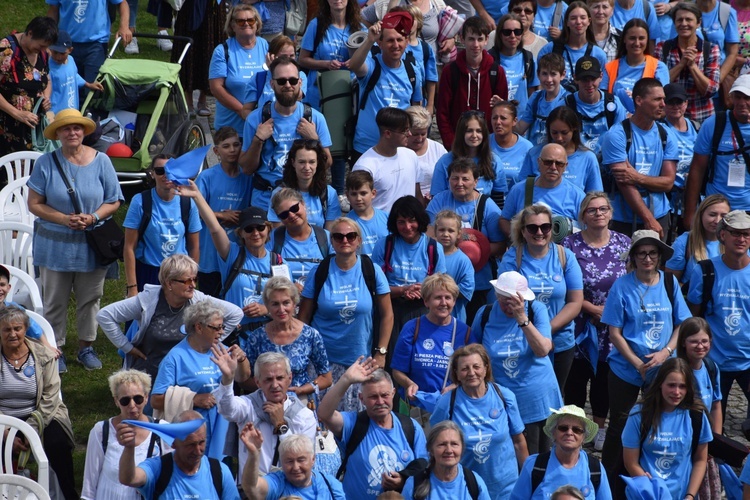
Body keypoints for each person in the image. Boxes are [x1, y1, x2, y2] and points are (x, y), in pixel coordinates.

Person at [27, 108, 123, 372]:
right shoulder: (45, 163)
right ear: (57, 134)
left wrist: (92, 217)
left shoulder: (102, 161)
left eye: (77, 128)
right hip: (54, 244)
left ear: (84, 132)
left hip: (92, 244)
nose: (72, 132)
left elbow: (114, 200)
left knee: (90, 298)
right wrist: (63, 219)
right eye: (66, 128)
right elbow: (34, 204)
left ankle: (85, 347)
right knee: (55, 299)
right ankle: (55, 350)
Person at [599, 230, 691, 496]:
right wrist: (637, 363)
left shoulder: (670, 283)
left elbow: (681, 324)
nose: (647, 258)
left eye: (652, 253)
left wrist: (666, 352)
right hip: (625, 368)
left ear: (660, 256)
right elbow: (614, 332)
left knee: (657, 423)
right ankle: (609, 484)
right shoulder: (622, 285)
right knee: (618, 425)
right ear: (633, 257)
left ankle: (650, 477)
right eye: (641, 253)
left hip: (663, 368)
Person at [97, 254, 243, 386]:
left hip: (186, 378)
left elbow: (235, 313)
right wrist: (127, 348)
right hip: (149, 378)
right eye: (186, 281)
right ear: (169, 283)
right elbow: (105, 315)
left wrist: (212, 341)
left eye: (194, 279)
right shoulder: (147, 300)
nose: (193, 285)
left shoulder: (199, 299)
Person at [298, 217, 393, 410]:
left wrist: (381, 353)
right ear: (331, 241)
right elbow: (304, 318)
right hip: (321, 364)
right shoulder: (320, 271)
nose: (345, 241)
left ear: (359, 240)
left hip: (359, 362)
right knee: (320, 420)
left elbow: (387, 315)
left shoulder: (371, 270)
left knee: (354, 422)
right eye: (338, 237)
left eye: (351, 236)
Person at [561, 192, 631, 452]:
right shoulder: (569, 245)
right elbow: (566, 286)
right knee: (576, 380)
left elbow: (631, 282)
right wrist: (591, 308)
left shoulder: (624, 243)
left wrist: (611, 312)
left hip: (612, 325)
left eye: (603, 209)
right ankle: (576, 428)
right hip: (579, 322)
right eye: (592, 210)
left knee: (604, 381)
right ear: (583, 216)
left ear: (611, 213)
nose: (598, 214)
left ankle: (599, 428)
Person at [470, 271, 559, 455]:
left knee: (537, 458)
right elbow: (473, 353)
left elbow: (543, 350)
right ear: (497, 296)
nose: (510, 307)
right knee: (506, 456)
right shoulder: (485, 314)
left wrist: (522, 319)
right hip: (501, 399)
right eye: (505, 302)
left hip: (535, 397)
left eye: (515, 301)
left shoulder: (536, 310)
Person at [499, 204, 584, 394]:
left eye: (545, 227)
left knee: (556, 395)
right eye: (532, 228)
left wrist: (545, 331)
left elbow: (575, 301)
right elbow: (506, 299)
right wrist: (535, 334)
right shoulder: (513, 257)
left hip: (560, 340)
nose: (539, 232)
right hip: (522, 340)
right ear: (523, 231)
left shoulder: (565, 256)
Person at [317, 358, 429, 499]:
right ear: (361, 398)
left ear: (393, 393)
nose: (380, 401)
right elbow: (324, 414)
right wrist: (346, 380)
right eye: (373, 397)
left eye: (384, 395)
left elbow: (424, 466)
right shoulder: (353, 424)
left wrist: (403, 479)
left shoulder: (411, 427)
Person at [429, 344, 528, 499]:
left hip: (506, 487)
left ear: (486, 368)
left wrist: (527, 478)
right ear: (456, 373)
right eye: (465, 369)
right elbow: (434, 445)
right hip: (468, 487)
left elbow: (518, 441)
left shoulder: (505, 396)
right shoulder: (447, 402)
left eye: (476, 367)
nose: (471, 373)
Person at [0, 307, 77, 499]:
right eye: (6, 329)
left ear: (25, 329)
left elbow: (51, 396)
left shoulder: (44, 355)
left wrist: (30, 429)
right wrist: (5, 432)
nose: (12, 334)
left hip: (41, 414)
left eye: (17, 328)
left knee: (58, 443)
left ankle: (69, 495)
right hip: (3, 419)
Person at [240, 56, 333, 211]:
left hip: (304, 200)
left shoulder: (315, 118)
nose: (288, 85)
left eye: (293, 81)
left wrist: (315, 140)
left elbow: (327, 163)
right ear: (272, 84)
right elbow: (247, 169)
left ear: (300, 83)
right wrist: (258, 140)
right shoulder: (255, 119)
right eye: (282, 81)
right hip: (266, 199)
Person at [686, 210, 750, 419]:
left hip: (748, 361)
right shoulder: (705, 270)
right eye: (735, 233)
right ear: (723, 235)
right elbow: (694, 318)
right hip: (713, 361)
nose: (741, 239)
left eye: (747, 234)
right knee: (710, 425)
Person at [212, 349, 317, 475]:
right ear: (258, 382)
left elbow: (303, 457)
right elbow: (227, 409)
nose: (275, 385)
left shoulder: (304, 415)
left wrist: (281, 425)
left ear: (289, 378)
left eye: (280, 378)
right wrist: (228, 380)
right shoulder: (249, 405)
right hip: (251, 489)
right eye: (268, 379)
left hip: (289, 489)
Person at [150, 302, 233, 459]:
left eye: (222, 327)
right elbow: (155, 400)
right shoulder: (175, 357)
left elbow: (241, 379)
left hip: (221, 429)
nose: (221, 332)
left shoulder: (221, 350)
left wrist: (241, 363)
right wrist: (194, 399)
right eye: (216, 328)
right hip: (192, 435)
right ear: (199, 327)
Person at [621, 358, 712, 500]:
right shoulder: (639, 414)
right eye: (671, 385)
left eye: (682, 386)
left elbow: (700, 459)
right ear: (660, 384)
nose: (676, 392)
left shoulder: (696, 416)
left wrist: (690, 495)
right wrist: (654, 492)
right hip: (648, 495)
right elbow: (630, 462)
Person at [598, 78, 678, 239]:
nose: (663, 104)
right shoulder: (617, 135)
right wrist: (648, 218)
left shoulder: (666, 135)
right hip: (622, 220)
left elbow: (668, 182)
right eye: (657, 99)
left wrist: (636, 177)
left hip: (660, 214)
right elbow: (624, 183)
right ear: (639, 100)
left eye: (664, 99)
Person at [372, 196, 447, 367]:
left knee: (420, 360)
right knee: (392, 360)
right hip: (391, 309)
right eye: (401, 222)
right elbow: (375, 287)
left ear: (420, 220)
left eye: (412, 221)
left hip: (423, 310)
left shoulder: (434, 248)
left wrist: (423, 290)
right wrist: (403, 290)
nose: (407, 227)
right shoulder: (384, 245)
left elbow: (441, 286)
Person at [426, 158, 502, 321]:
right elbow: (428, 235)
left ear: (475, 181)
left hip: (479, 283)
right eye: (454, 178)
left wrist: (476, 253)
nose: (459, 183)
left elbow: (500, 245)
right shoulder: (440, 200)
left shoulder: (487, 206)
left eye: (465, 178)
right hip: (441, 284)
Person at [82, 369, 168, 500]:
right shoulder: (101, 431)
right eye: (125, 400)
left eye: (138, 399)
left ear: (146, 398)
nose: (132, 405)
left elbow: (172, 479)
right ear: (116, 401)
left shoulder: (162, 430)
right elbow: (89, 484)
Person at [348, 11, 423, 160]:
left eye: (399, 40)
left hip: (399, 150)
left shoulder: (412, 71)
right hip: (366, 148)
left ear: (406, 42)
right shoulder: (372, 65)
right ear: (380, 43)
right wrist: (369, 40)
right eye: (390, 41)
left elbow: (416, 109)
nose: (395, 45)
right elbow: (354, 66)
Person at [118, 409, 240, 499]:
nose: (198, 451)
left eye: (202, 442)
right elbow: (128, 478)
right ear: (173, 443)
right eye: (190, 445)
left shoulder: (219, 472)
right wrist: (129, 448)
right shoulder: (158, 469)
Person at [391, 274, 474, 407]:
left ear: (454, 301)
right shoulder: (412, 328)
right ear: (426, 302)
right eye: (437, 298)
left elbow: (475, 372)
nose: (443, 303)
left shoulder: (465, 332)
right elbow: (397, 371)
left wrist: (456, 386)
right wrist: (409, 384)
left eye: (448, 298)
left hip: (452, 405)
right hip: (415, 407)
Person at [123, 155, 201, 294]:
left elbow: (194, 246)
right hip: (149, 271)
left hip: (180, 274)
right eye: (160, 171)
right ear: (152, 174)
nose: (166, 175)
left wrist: (191, 279)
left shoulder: (188, 203)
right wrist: (132, 287)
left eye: (171, 170)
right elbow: (129, 247)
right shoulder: (140, 201)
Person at [244, 277, 332, 398]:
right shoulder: (256, 338)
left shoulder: (310, 335)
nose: (281, 309)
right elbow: (244, 380)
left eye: (286, 303)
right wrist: (272, 389)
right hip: (266, 401)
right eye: (275, 304)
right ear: (267, 307)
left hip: (301, 401)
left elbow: (326, 378)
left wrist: (302, 390)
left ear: (294, 303)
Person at [194, 126, 254, 297]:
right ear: (216, 150)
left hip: (238, 253)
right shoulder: (207, 177)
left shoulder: (248, 176)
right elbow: (194, 211)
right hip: (210, 256)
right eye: (226, 146)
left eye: (236, 145)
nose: (232, 150)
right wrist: (221, 215)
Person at [683, 74, 750, 223]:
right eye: (738, 97)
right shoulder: (713, 123)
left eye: (747, 98)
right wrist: (690, 213)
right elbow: (697, 169)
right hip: (717, 209)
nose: (742, 103)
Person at [436, 16, 508, 148]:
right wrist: (452, 145)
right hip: (458, 144)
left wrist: (493, 144)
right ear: (462, 39)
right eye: (471, 39)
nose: (475, 45)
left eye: (480, 39)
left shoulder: (497, 71)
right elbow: (442, 113)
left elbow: (503, 113)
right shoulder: (450, 72)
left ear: (487, 40)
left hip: (488, 145)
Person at [510, 405, 612, 499]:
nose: (569, 433)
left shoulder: (595, 469)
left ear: (584, 437)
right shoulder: (534, 465)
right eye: (563, 428)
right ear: (553, 432)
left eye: (577, 430)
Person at [676, 317, 723, 499]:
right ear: (683, 343)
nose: (700, 346)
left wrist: (715, 441)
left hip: (704, 440)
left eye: (704, 341)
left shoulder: (711, 368)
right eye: (694, 341)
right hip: (682, 439)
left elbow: (716, 405)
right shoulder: (676, 370)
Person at [654, 2, 721, 123]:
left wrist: (692, 66)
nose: (684, 24)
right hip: (669, 118)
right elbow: (658, 87)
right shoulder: (663, 48)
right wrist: (681, 65)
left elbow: (711, 90)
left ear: (698, 23)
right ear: (674, 23)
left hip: (702, 117)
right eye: (680, 20)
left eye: (688, 19)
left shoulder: (710, 50)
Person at [209, 5, 269, 139]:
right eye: (240, 21)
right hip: (232, 128)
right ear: (232, 25)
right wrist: (242, 111)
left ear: (257, 23)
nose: (246, 23)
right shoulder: (222, 50)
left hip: (262, 126)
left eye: (250, 20)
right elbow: (216, 88)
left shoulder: (267, 46)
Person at [500, 144, 586, 237]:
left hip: (563, 249)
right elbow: (504, 220)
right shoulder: (519, 189)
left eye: (559, 164)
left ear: (565, 166)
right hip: (527, 248)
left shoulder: (577, 195)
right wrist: (519, 238)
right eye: (548, 162)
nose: (553, 167)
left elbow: (588, 227)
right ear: (539, 162)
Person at [0, 16, 55, 158]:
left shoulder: (42, 53)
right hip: (7, 125)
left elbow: (47, 79)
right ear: (30, 33)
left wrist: (46, 96)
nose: (44, 49)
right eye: (41, 45)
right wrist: (17, 113)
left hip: (33, 128)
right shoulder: (7, 50)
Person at [429, 111, 508, 206]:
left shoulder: (493, 161)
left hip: (483, 217)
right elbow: (436, 199)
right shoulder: (445, 162)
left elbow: (498, 199)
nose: (474, 135)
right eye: (469, 131)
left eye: (479, 131)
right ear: (461, 133)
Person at [241, 428, 346, 499]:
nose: (296, 467)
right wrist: (254, 454)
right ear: (281, 462)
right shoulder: (278, 482)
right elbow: (252, 488)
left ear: (313, 459)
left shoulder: (329, 484)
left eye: (301, 460)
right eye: (289, 461)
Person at [518, 105, 603, 192]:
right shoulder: (534, 153)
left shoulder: (588, 158)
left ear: (574, 129)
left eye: (564, 133)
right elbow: (522, 189)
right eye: (554, 133)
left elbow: (595, 194)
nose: (559, 138)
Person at [352, 107, 421, 212]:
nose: (409, 134)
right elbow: (358, 206)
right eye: (404, 131)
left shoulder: (411, 155)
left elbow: (417, 193)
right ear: (388, 133)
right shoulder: (365, 166)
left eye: (409, 129)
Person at [298, 0, 364, 110]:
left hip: (347, 94)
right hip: (318, 94)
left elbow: (367, 63)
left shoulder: (359, 29)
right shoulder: (316, 25)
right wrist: (326, 64)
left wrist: (354, 62)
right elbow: (302, 59)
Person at [401, 421, 493, 499]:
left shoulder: (474, 482)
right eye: (442, 444)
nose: (449, 450)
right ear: (431, 450)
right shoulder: (414, 484)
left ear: (462, 448)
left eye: (454, 444)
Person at [46, 0, 130, 84]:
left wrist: (124, 27)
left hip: (96, 43)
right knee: (67, 84)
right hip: (66, 44)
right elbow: (53, 9)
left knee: (93, 87)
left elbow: (122, 2)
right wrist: (48, 38)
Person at [536, 2, 609, 92]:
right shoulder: (549, 49)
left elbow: (602, 89)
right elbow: (539, 84)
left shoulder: (599, 54)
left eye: (583, 18)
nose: (578, 22)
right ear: (567, 22)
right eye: (573, 18)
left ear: (589, 21)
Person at [268, 139, 341, 229]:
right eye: (302, 162)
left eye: (311, 162)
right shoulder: (278, 194)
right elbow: (278, 233)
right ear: (293, 162)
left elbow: (330, 234)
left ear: (317, 162)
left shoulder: (329, 193)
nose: (307, 167)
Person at [601, 19, 670, 114]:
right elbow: (602, 100)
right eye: (632, 38)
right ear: (624, 39)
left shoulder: (658, 67)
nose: (637, 43)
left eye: (641, 38)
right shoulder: (610, 67)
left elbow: (663, 104)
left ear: (647, 40)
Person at [267, 188, 333, 287]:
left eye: (294, 208)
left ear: (303, 204)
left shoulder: (326, 237)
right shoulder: (272, 239)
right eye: (284, 214)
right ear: (279, 218)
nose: (292, 215)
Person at [565, 56, 627, 155]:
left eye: (593, 79)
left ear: (601, 76)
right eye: (584, 80)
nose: (589, 84)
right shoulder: (566, 104)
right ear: (575, 78)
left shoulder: (614, 103)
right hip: (577, 160)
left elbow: (621, 139)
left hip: (607, 161)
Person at [665, 194, 729, 284]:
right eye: (712, 215)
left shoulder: (736, 241)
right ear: (701, 214)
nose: (717, 220)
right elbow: (670, 284)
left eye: (723, 216)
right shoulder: (684, 242)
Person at [661, 82, 700, 228]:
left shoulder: (697, 128)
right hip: (670, 196)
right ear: (664, 104)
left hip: (694, 196)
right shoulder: (659, 129)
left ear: (686, 103)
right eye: (671, 102)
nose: (675, 106)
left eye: (679, 102)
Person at [244, 36, 309, 115]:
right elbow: (246, 110)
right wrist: (257, 123)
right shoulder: (258, 78)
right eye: (283, 57)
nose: (289, 60)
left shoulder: (300, 75)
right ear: (271, 56)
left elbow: (297, 96)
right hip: (265, 124)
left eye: (292, 56)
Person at [489, 14, 539, 116]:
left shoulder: (528, 58)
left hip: (522, 122)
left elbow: (532, 93)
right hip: (497, 119)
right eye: (507, 32)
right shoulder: (490, 59)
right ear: (500, 34)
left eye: (517, 32)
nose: (512, 36)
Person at [516, 53, 569, 146]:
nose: (548, 79)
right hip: (535, 153)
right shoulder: (535, 97)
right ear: (538, 74)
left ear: (562, 75)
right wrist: (505, 112)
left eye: (553, 74)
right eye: (544, 74)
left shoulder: (568, 100)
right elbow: (520, 128)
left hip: (556, 155)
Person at [431, 212, 475, 321]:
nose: (446, 234)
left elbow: (467, 288)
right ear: (435, 232)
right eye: (441, 230)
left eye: (451, 231)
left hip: (454, 318)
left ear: (459, 234)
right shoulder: (427, 254)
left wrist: (438, 290)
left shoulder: (463, 260)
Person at [48, 31, 104, 114]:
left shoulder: (71, 60)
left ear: (70, 50)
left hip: (73, 109)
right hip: (57, 113)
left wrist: (88, 84)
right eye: (55, 52)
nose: (58, 57)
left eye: (62, 53)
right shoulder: (48, 66)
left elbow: (74, 76)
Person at [406, 105, 447, 202]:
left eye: (423, 134)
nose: (419, 139)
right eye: (415, 134)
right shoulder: (398, 149)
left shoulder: (437, 148)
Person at [345, 170, 390, 257]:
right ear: (347, 196)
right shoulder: (346, 224)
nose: (358, 198)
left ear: (373, 193)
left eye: (363, 193)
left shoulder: (387, 218)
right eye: (354, 194)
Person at [490, 100, 534, 188]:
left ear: (514, 121)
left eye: (503, 118)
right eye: (495, 118)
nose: (498, 122)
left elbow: (530, 184)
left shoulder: (527, 148)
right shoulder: (484, 143)